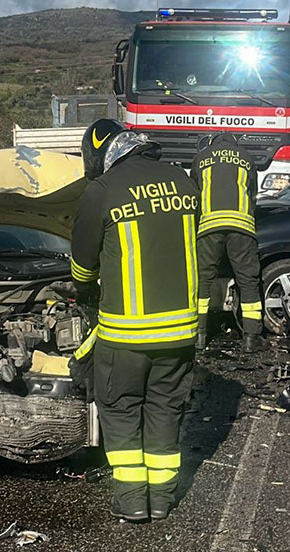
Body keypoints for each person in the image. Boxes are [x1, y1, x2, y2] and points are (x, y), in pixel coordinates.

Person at [70, 119, 199, 522]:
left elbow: (81, 267)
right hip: (180, 332)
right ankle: (161, 500)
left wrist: (85, 290)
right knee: (165, 408)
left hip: (125, 334)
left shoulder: (103, 190)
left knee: (122, 410)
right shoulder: (182, 182)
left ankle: (131, 503)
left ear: (101, 154)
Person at [191, 132, 264, 354]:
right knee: (248, 281)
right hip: (241, 227)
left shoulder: (201, 158)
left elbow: (194, 193)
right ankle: (252, 337)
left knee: (202, 281)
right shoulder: (246, 158)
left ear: (211, 142)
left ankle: (199, 335)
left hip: (209, 227)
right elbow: (253, 194)